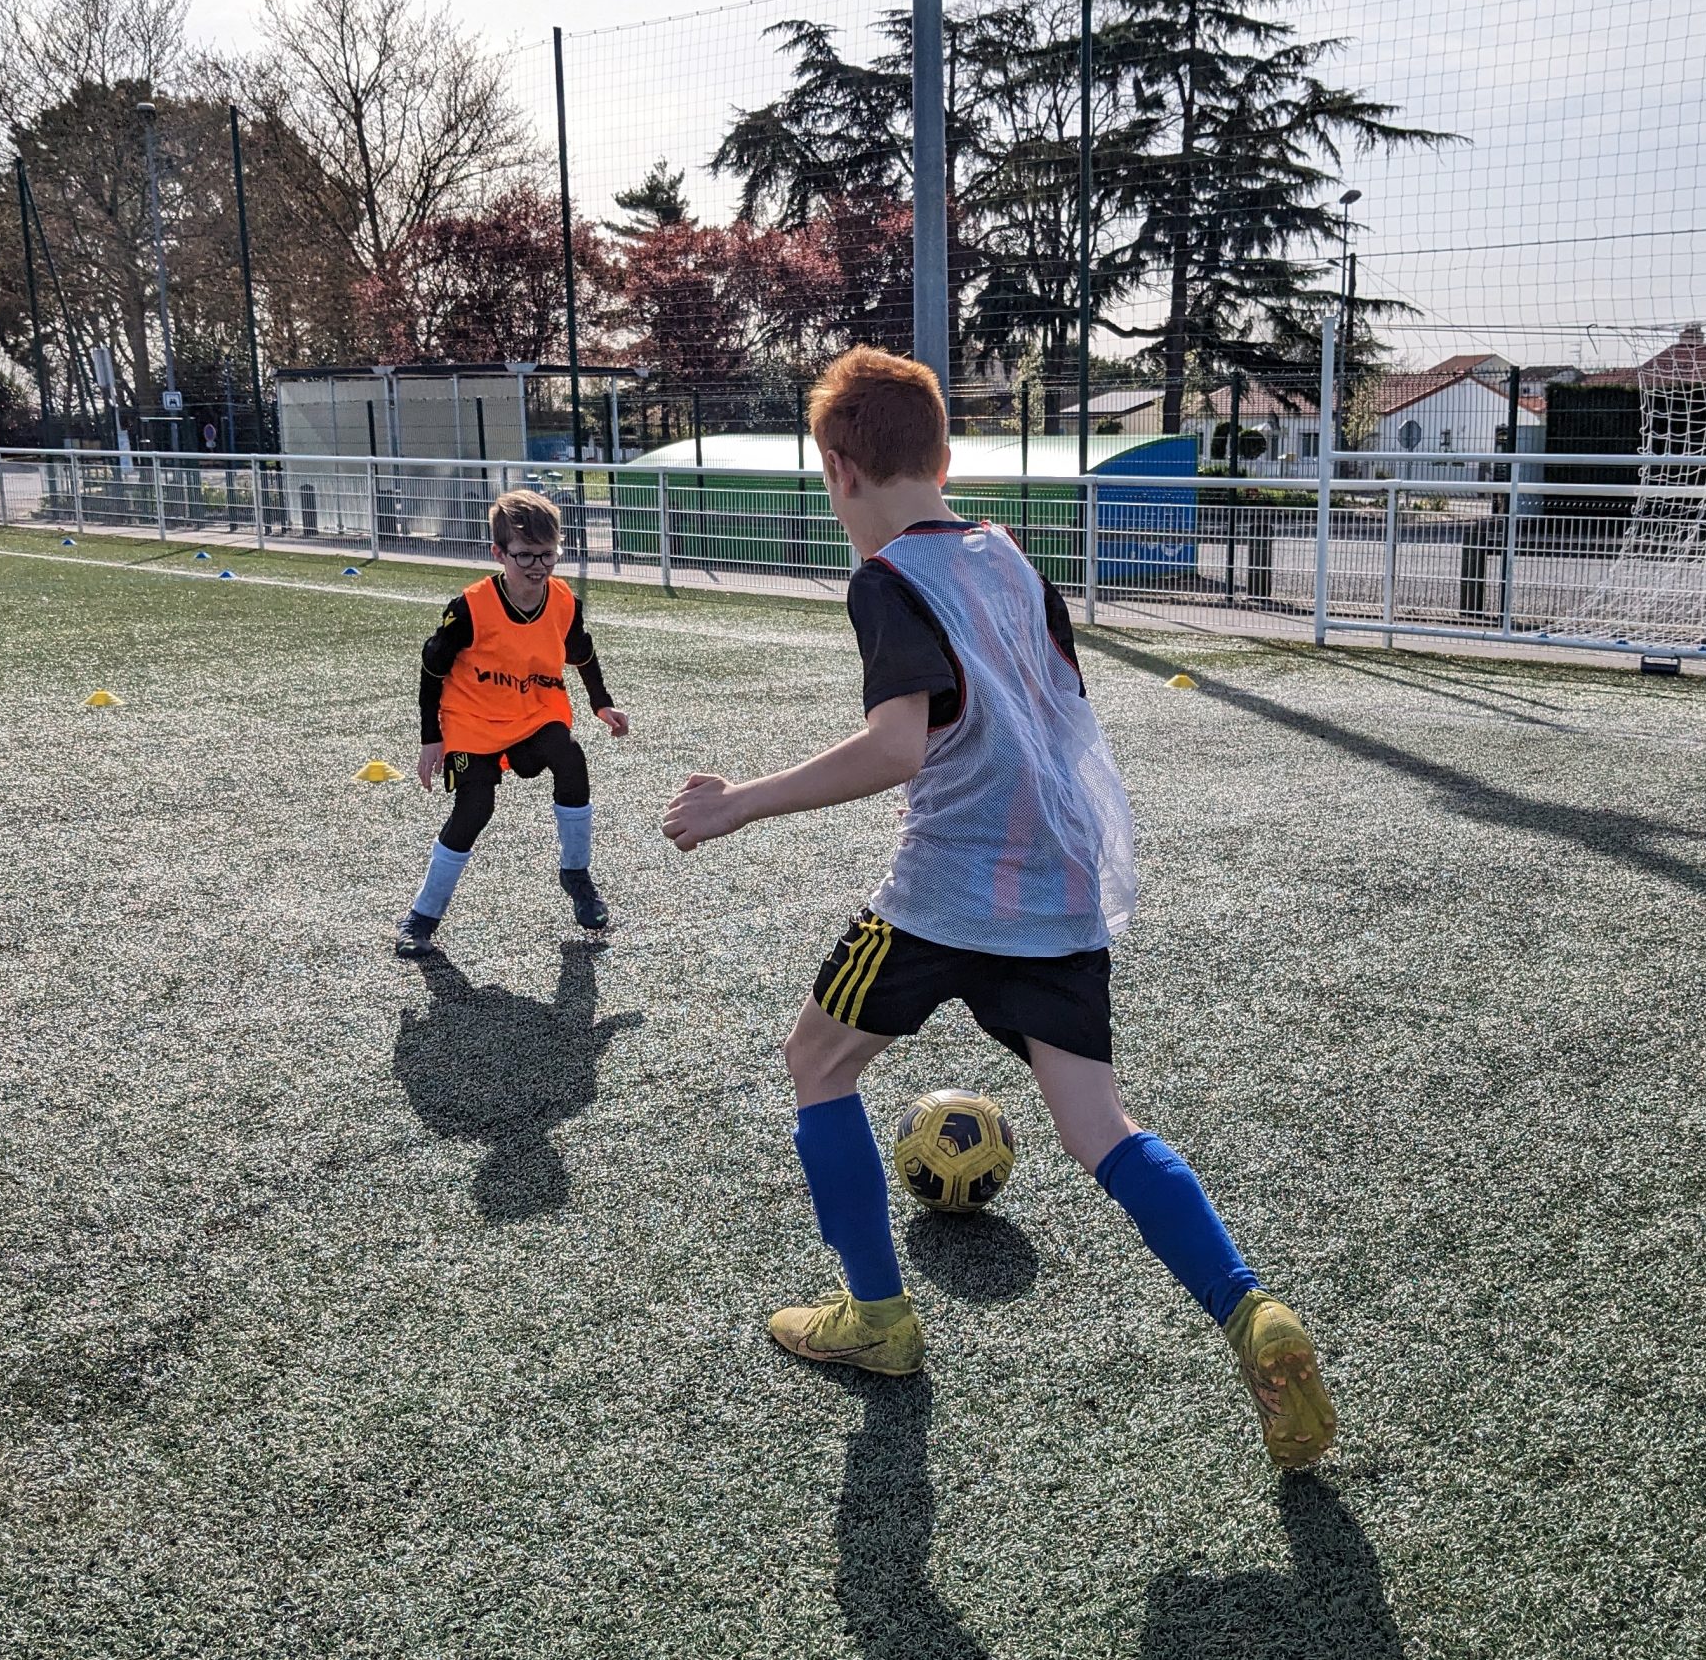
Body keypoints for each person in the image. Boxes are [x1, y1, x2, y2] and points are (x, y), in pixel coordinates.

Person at [660, 346, 1335, 1470]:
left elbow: (897, 746)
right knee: (1101, 1130)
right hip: (1059, 886)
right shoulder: (1010, 555)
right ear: (944, 461)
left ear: (839, 472)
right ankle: (1249, 1310)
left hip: (945, 892)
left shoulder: (887, 580)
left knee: (816, 1063)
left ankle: (877, 1317)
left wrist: (739, 803)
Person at [398, 488, 629, 953]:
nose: (538, 566)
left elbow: (581, 652)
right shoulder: (469, 608)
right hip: (471, 721)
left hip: (533, 715)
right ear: (498, 553)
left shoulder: (563, 601)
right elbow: (432, 668)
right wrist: (430, 737)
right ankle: (421, 917)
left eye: (548, 554)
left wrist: (600, 703)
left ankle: (577, 875)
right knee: (475, 807)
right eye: (525, 555)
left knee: (570, 757)